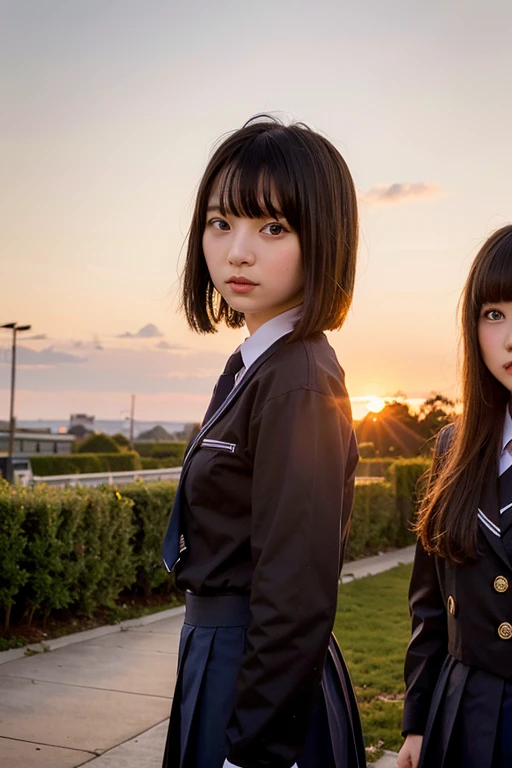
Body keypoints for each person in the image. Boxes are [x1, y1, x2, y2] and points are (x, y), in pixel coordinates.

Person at [161, 115, 366, 768]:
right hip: (225, 659)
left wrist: (251, 751)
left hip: (253, 678)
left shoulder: (298, 381)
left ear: (322, 236)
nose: (237, 251)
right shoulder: (261, 366)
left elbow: (297, 595)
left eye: (272, 227)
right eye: (221, 223)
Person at [398, 224, 512, 768]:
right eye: (494, 314)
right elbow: (429, 602)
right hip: (461, 711)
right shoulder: (453, 445)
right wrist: (417, 723)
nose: (510, 336)